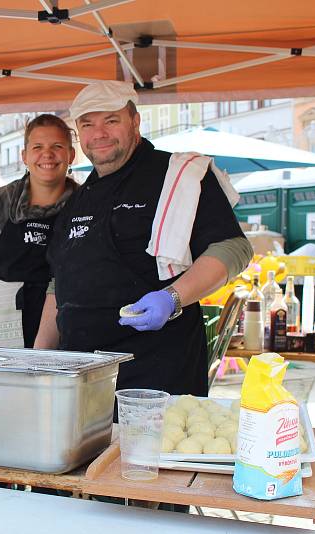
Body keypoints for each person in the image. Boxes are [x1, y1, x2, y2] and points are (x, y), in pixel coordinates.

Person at [35, 81, 252, 398]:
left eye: (111, 120)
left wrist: (173, 298)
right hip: (82, 378)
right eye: (88, 124)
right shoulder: (78, 199)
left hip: (157, 374)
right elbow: (59, 283)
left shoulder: (177, 175)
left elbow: (233, 248)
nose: (100, 133)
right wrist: (41, 356)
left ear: (135, 122)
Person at [0, 114, 77, 348]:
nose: (47, 154)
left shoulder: (85, 205)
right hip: (0, 328)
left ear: (71, 155)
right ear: (24, 156)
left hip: (62, 327)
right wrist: (8, 295)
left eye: (57, 146)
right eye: (38, 147)